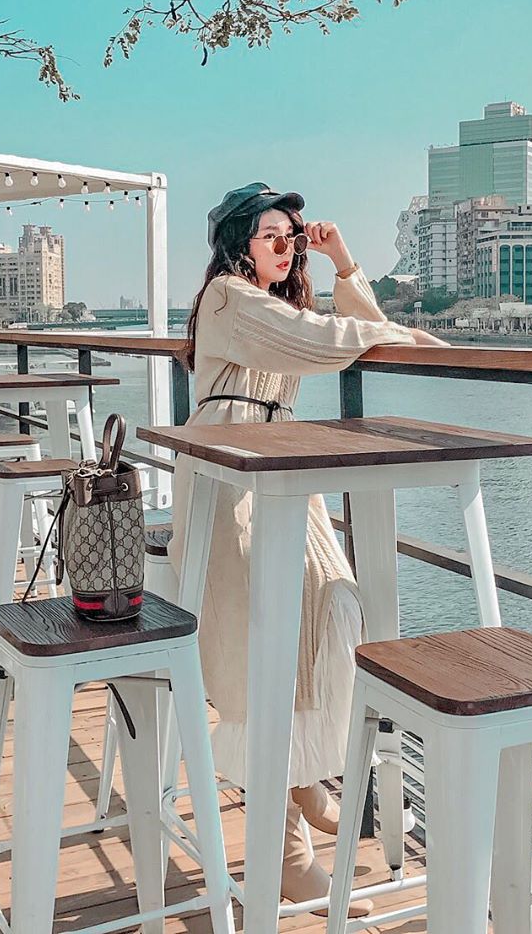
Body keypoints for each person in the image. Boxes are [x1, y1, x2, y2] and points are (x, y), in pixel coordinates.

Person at [169, 183, 442, 915]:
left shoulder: (273, 306)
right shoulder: (228, 298)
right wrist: (405, 335)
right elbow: (332, 343)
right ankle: (289, 854)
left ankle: (304, 780)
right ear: (239, 245)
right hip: (232, 483)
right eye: (272, 236)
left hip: (283, 477)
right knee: (269, 648)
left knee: (335, 607)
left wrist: (344, 262)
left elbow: (358, 332)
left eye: (292, 236)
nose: (287, 247)